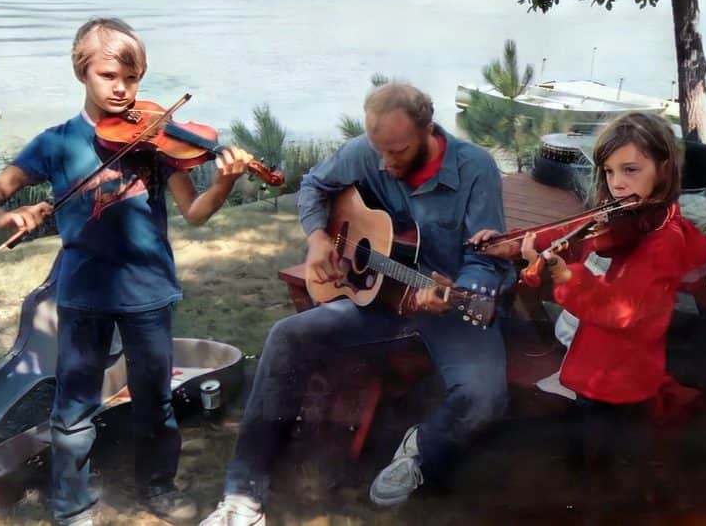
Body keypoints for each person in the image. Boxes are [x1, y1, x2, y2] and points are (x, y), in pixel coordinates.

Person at [0, 17, 256, 526]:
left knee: (155, 401)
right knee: (74, 408)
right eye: (108, 76)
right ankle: (72, 505)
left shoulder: (157, 140)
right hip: (83, 295)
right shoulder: (56, 143)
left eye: (132, 78)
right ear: (83, 74)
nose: (122, 89)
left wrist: (225, 182)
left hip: (149, 292)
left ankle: (157, 488)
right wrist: (3, 216)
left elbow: (196, 213)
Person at [200, 82, 514, 526]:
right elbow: (313, 186)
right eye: (377, 150)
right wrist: (318, 239)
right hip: (382, 302)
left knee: (485, 396)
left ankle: (421, 448)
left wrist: (461, 288)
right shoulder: (367, 151)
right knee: (286, 336)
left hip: (451, 306)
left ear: (428, 131)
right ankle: (243, 496)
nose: (384, 164)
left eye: (398, 152)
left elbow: (487, 255)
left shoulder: (474, 168)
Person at [517, 112, 706, 494]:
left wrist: (567, 277)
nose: (618, 184)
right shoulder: (628, 218)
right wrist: (525, 241)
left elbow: (623, 310)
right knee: (588, 429)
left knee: (608, 448)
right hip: (601, 363)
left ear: (663, 167)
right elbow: (576, 232)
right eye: (609, 172)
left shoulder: (662, 239)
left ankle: (601, 496)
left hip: (621, 370)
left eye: (630, 170)